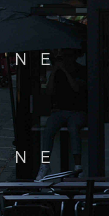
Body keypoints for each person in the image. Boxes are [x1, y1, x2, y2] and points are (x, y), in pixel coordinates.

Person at [36, 49, 88, 180]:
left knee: (74, 128)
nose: (65, 60)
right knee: (48, 130)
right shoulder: (57, 72)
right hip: (59, 111)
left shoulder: (81, 70)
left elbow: (76, 88)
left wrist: (65, 71)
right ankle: (44, 164)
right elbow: (49, 91)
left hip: (77, 110)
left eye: (67, 56)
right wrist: (54, 71)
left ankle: (78, 165)